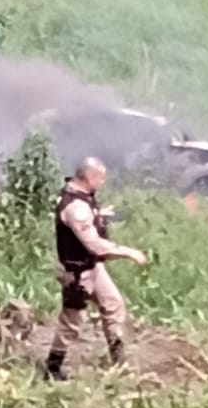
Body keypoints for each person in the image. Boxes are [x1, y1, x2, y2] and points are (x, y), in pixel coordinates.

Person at [44, 157, 147, 380]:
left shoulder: (80, 198)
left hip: (92, 266)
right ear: (89, 177)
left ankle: (118, 361)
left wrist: (100, 216)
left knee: (113, 304)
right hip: (77, 273)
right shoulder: (76, 207)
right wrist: (128, 252)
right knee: (72, 322)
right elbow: (95, 245)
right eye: (100, 178)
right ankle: (52, 367)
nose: (102, 183)